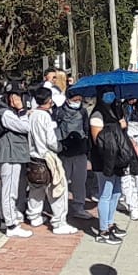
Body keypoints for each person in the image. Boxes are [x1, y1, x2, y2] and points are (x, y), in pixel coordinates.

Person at [26, 88, 78, 234]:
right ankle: (59, 222)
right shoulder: (45, 117)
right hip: (47, 156)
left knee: (36, 187)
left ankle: (34, 215)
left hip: (33, 156)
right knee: (57, 188)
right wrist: (60, 146)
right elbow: (51, 141)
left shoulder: (31, 115)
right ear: (49, 100)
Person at [91, 95, 138, 242]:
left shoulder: (116, 112)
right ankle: (103, 231)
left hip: (118, 160)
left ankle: (110, 223)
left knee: (116, 192)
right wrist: (116, 127)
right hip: (104, 161)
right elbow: (98, 141)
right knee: (105, 194)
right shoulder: (97, 115)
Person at [0, 85, 34, 238]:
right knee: (9, 190)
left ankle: (4, 218)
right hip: (9, 153)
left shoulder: (6, 112)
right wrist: (22, 110)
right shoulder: (6, 114)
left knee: (5, 188)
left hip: (11, 152)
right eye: (18, 97)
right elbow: (25, 127)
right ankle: (11, 225)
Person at [57, 90, 92, 221]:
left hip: (80, 150)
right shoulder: (59, 112)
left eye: (79, 100)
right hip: (64, 152)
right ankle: (60, 208)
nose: (77, 102)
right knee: (62, 181)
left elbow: (86, 128)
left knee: (79, 181)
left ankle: (79, 207)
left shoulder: (83, 112)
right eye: (75, 99)